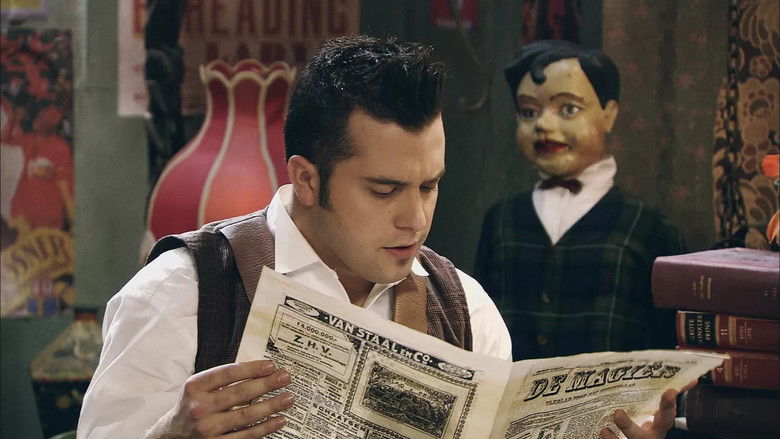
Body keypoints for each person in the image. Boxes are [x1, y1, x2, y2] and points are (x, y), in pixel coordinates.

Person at [79, 36, 677, 439]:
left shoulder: (465, 312)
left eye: (430, 187)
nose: (414, 219)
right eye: (385, 190)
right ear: (306, 179)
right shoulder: (181, 295)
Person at [475, 40, 685, 362]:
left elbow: (668, 340)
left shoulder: (649, 228)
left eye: (568, 109)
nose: (543, 125)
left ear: (609, 115)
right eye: (529, 112)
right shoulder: (500, 220)